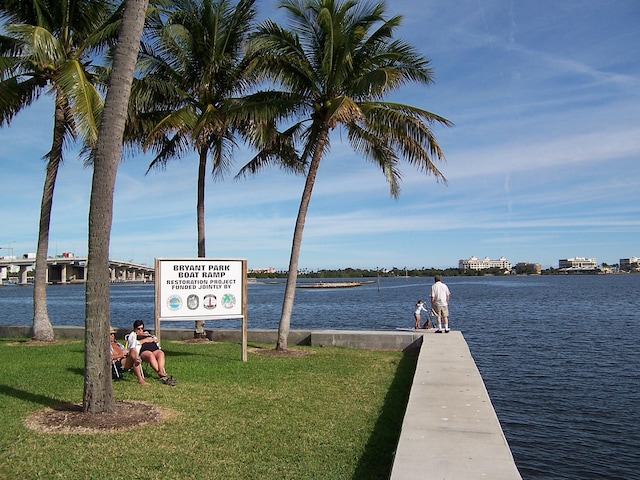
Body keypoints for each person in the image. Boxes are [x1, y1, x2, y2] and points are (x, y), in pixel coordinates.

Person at [126, 320, 176, 386]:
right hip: (143, 351)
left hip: (154, 349)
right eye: (138, 329)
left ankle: (161, 370)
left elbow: (156, 340)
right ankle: (160, 373)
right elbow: (133, 345)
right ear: (135, 329)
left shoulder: (147, 334)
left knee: (161, 353)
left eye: (142, 328)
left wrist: (154, 339)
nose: (140, 330)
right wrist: (145, 340)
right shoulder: (133, 335)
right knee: (150, 354)